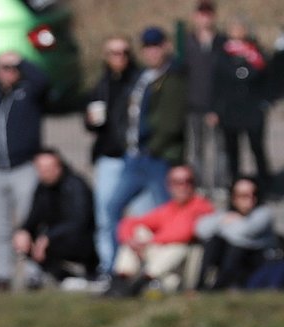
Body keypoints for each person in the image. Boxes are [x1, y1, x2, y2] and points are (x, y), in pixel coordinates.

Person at [103, 27, 189, 266]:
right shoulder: (141, 77)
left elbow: (171, 123)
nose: (152, 52)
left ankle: (162, 267)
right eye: (147, 47)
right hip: (133, 157)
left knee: (166, 213)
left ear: (166, 47)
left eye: (156, 46)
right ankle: (116, 266)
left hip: (157, 158)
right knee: (113, 208)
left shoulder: (173, 78)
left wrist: (152, 148)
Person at [0, 51, 49, 292]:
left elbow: (43, 81)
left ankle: (33, 273)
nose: (8, 72)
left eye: (12, 68)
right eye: (3, 68)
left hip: (23, 166)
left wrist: (21, 61)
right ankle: (2, 274)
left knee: (30, 223)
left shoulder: (28, 92)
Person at [104, 164, 214, 296]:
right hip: (162, 264)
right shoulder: (169, 208)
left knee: (179, 247)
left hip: (184, 268)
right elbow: (130, 222)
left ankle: (142, 283)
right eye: (177, 182)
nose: (183, 186)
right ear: (169, 186)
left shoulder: (202, 206)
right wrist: (130, 240)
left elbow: (184, 233)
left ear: (194, 184)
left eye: (188, 181)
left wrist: (149, 243)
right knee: (139, 232)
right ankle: (120, 281)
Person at [84, 36, 140, 281]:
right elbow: (91, 121)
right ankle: (108, 265)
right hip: (108, 156)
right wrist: (90, 120)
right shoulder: (101, 85)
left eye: (124, 52)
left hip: (134, 157)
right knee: (106, 215)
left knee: (137, 214)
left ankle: (133, 266)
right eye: (114, 53)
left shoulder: (139, 82)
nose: (119, 58)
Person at [12, 149, 98, 287]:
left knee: (47, 243)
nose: (44, 172)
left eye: (48, 168)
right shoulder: (42, 188)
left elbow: (79, 221)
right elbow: (33, 217)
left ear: (58, 167)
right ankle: (66, 278)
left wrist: (48, 237)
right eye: (40, 168)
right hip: (56, 238)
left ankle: (92, 273)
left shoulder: (75, 185)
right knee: (25, 241)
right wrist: (23, 231)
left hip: (85, 240)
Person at [209, 16, 273, 188]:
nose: (237, 32)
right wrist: (214, 109)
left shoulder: (256, 53)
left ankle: (264, 183)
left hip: (252, 109)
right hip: (230, 110)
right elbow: (217, 83)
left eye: (241, 28)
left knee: (257, 148)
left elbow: (265, 78)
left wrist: (265, 101)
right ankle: (235, 184)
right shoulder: (222, 54)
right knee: (232, 151)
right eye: (234, 28)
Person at [194, 176, 279, 289]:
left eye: (254, 194)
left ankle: (219, 287)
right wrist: (222, 221)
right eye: (244, 195)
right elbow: (201, 229)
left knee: (236, 246)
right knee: (214, 242)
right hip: (229, 258)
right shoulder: (226, 214)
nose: (250, 199)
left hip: (257, 261)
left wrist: (225, 225)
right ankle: (200, 284)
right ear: (234, 197)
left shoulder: (264, 213)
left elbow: (244, 232)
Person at [184, 1, 227, 192]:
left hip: (217, 105)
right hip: (194, 104)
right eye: (201, 14)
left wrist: (218, 107)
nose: (205, 18)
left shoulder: (222, 42)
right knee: (196, 149)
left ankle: (219, 184)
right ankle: (199, 185)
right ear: (195, 16)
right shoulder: (187, 42)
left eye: (208, 14)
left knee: (219, 148)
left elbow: (226, 77)